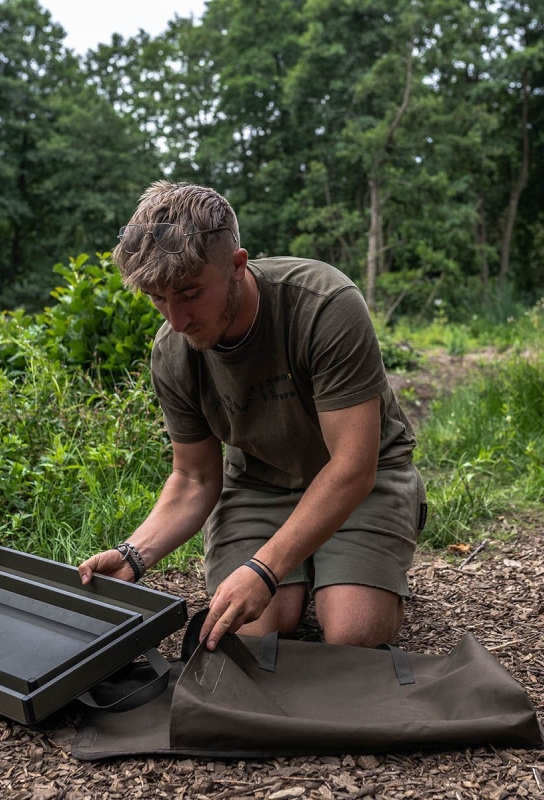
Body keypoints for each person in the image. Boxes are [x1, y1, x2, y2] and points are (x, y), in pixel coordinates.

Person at [78, 181, 426, 652]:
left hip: (364, 478)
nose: (176, 320)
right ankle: (303, 572)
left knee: (352, 636)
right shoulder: (173, 352)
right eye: (158, 299)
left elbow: (352, 466)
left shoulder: (324, 306)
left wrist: (263, 569)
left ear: (238, 266)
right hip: (259, 484)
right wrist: (133, 556)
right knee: (247, 635)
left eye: (189, 293)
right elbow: (194, 478)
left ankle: (344, 566)